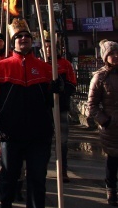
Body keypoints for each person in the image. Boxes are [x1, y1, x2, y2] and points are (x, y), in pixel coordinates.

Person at [0, 18, 58, 208]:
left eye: (27, 36)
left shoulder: (45, 68)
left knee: (37, 179)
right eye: (19, 36)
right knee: (9, 177)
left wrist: (59, 90)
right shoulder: (1, 67)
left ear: (32, 41)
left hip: (39, 135)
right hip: (10, 134)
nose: (23, 39)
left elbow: (55, 104)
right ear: (13, 42)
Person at [43, 30, 77, 183]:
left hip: (60, 107)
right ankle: (41, 168)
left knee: (62, 141)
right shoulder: (39, 64)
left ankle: (62, 170)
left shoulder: (65, 64)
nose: (49, 49)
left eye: (51, 47)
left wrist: (62, 88)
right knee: (43, 140)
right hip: (43, 108)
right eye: (46, 47)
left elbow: (72, 86)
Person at [88, 39, 118, 206]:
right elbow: (92, 104)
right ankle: (111, 189)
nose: (115, 56)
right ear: (105, 57)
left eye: (116, 52)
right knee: (113, 158)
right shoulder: (100, 77)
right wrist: (104, 121)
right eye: (111, 54)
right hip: (112, 125)